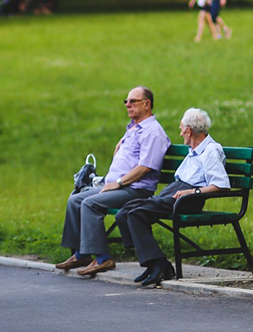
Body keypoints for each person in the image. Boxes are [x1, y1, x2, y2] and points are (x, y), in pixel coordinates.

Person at [56, 86, 170, 276]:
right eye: (126, 101)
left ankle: (103, 259)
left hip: (135, 189)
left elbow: (146, 167)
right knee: (75, 199)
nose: (128, 105)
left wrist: (119, 183)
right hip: (119, 186)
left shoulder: (153, 132)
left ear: (147, 104)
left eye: (133, 101)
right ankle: (82, 253)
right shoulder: (135, 128)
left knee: (90, 204)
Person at [115, 108, 230, 287]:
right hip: (176, 192)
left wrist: (192, 192)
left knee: (137, 213)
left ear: (189, 131)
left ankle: (160, 265)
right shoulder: (194, 149)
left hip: (188, 198)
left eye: (181, 128)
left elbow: (221, 184)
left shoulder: (210, 150)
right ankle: (152, 262)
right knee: (125, 212)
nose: (180, 132)